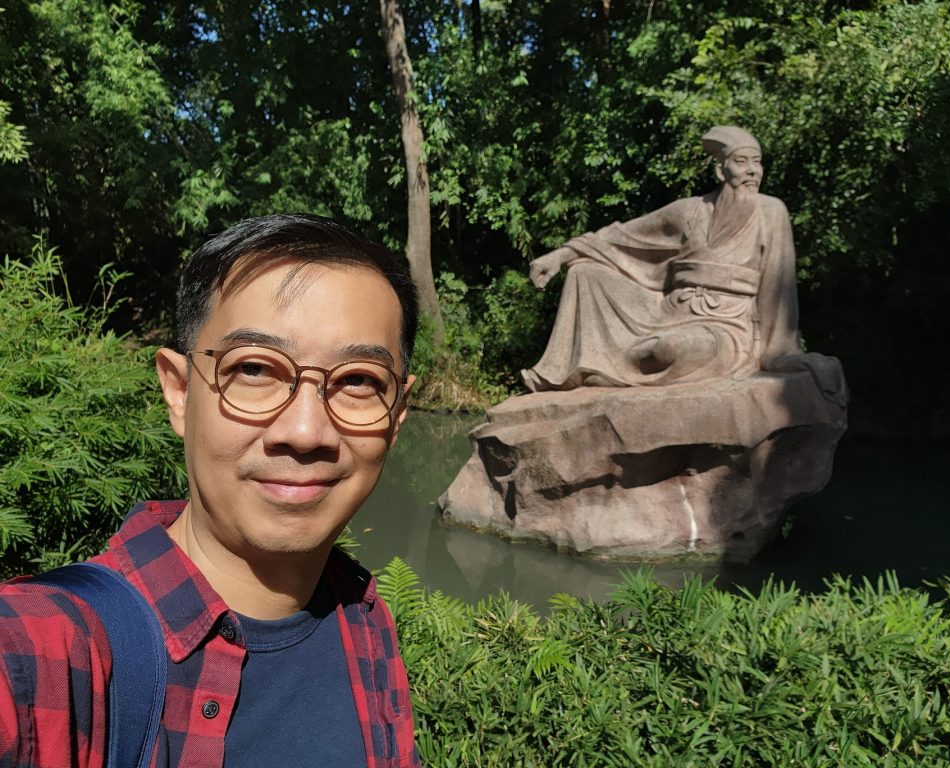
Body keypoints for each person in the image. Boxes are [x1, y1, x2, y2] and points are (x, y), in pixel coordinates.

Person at [0, 214, 421, 767]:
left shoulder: (363, 617)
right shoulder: (47, 652)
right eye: (254, 370)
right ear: (179, 391)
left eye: (359, 380)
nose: (305, 433)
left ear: (396, 414)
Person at [522, 125, 803, 391]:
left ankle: (614, 371)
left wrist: (778, 349)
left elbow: (779, 286)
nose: (752, 170)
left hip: (728, 326)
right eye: (741, 162)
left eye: (757, 162)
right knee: (585, 273)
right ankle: (593, 368)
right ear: (721, 170)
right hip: (668, 313)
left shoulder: (772, 211)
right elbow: (621, 237)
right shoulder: (690, 210)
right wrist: (560, 256)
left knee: (670, 348)